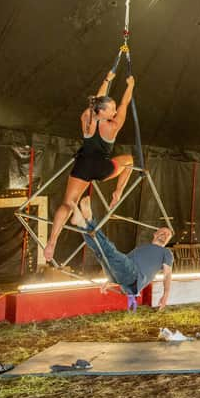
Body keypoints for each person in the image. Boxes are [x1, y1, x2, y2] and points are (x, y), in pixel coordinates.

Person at [44, 71, 136, 261]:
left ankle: (52, 241)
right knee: (129, 160)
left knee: (68, 203)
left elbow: (94, 101)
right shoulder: (114, 125)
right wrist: (130, 86)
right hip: (102, 168)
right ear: (102, 111)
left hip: (83, 165)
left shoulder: (87, 117)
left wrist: (106, 80)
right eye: (111, 109)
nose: (114, 111)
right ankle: (118, 193)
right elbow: (124, 103)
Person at [68, 196, 173, 310]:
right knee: (101, 251)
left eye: (168, 235)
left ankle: (87, 221)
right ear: (155, 233)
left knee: (109, 250)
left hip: (134, 276)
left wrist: (166, 294)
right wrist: (109, 280)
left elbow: (167, 274)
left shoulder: (166, 252)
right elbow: (120, 263)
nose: (165, 235)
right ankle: (86, 221)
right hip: (122, 275)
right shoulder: (142, 248)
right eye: (163, 232)